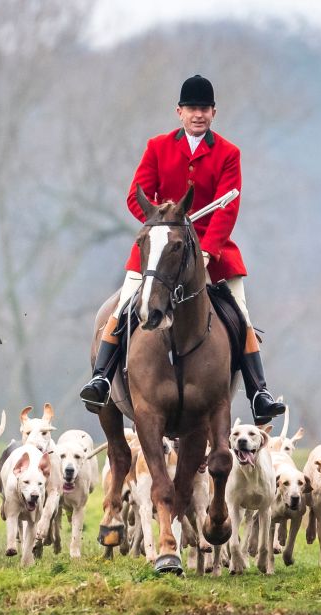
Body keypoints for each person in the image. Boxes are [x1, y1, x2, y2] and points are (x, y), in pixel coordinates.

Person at [79, 75, 285, 424]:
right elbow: (136, 197)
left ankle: (259, 393)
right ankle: (101, 377)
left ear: (213, 112)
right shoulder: (157, 147)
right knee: (126, 305)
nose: (198, 114)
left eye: (204, 108)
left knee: (242, 317)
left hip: (212, 253)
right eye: (191, 108)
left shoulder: (228, 154)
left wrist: (206, 250)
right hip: (161, 249)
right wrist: (164, 218)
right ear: (179, 112)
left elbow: (227, 209)